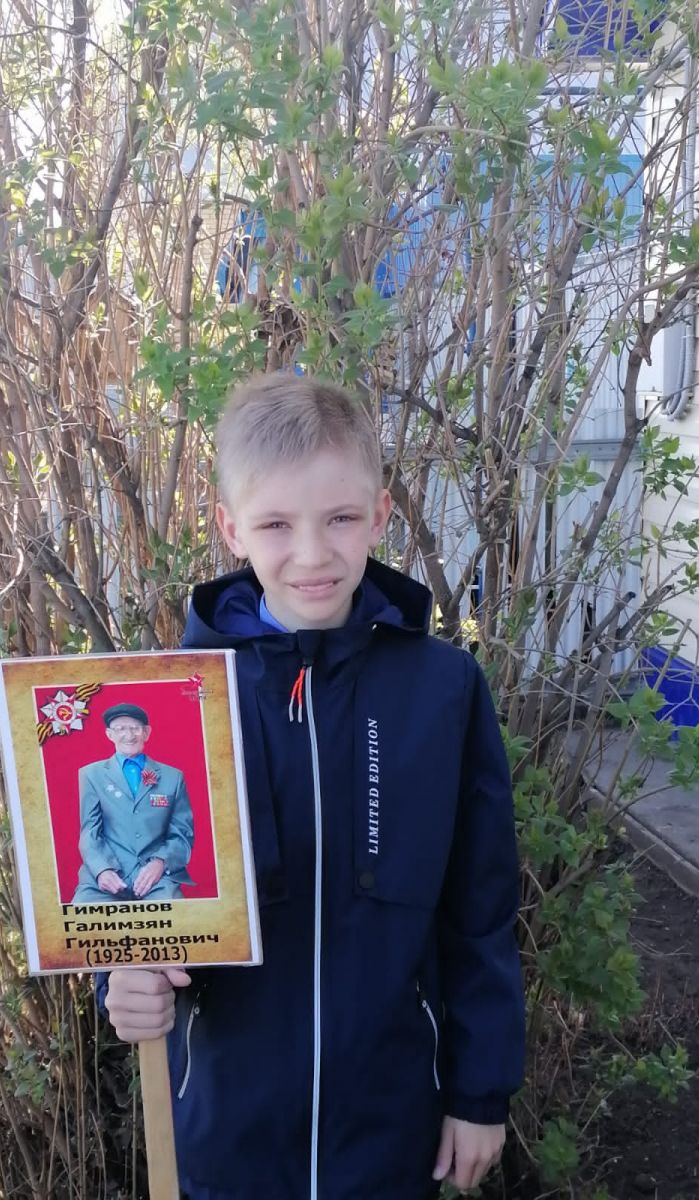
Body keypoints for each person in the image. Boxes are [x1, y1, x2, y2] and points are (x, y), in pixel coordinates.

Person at [102, 376, 525, 1200]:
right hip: (227, 1129)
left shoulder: (442, 690)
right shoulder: (178, 703)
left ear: (381, 514)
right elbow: (121, 885)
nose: (312, 553)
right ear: (231, 527)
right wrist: (120, 982)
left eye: (340, 518)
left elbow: (480, 909)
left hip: (392, 1130)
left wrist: (479, 1093)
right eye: (275, 524)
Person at [71, 702, 194, 904]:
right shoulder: (91, 774)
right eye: (120, 729)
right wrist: (102, 870)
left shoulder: (173, 777)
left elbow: (182, 834)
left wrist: (160, 863)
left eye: (135, 728)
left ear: (147, 732)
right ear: (109, 734)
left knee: (176, 915)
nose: (129, 735)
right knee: (81, 916)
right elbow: (89, 832)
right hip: (106, 876)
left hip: (156, 878)